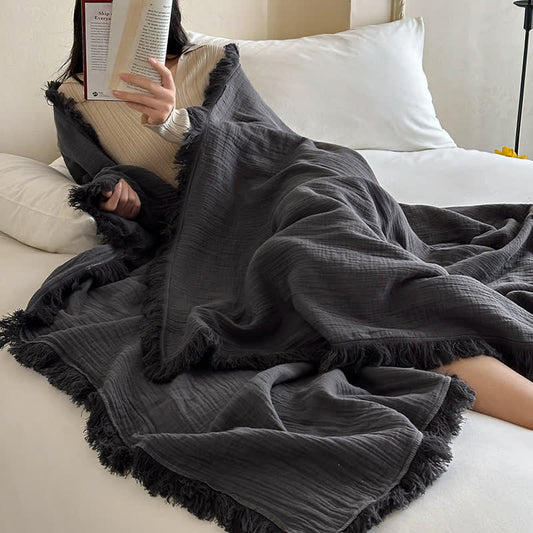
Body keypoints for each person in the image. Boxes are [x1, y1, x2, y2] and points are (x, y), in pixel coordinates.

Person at [54, 0, 533, 431]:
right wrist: (126, 203)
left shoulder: (210, 60)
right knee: (308, 261)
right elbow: (103, 181)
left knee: (329, 247)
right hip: (216, 220)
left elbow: (266, 139)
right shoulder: (72, 98)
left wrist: (174, 123)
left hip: (298, 178)